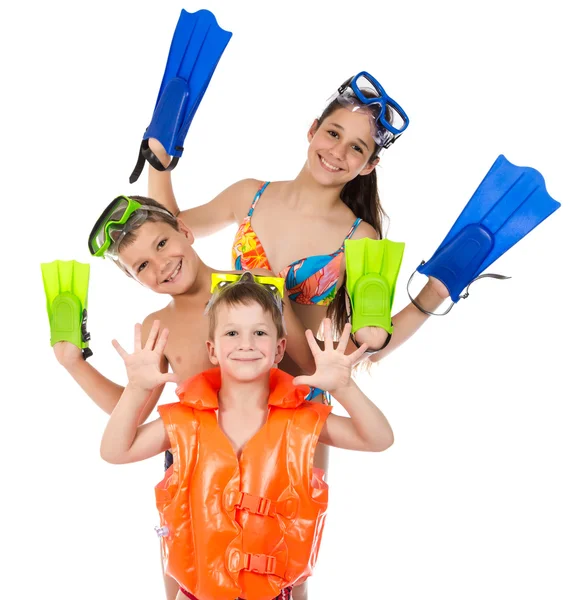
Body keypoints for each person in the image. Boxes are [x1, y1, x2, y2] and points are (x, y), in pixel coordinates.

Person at [57, 195, 315, 600]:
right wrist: (74, 363)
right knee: (185, 577)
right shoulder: (158, 325)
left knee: (284, 574)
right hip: (193, 466)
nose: (160, 265)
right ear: (134, 279)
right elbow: (131, 412)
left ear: (185, 231)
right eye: (141, 265)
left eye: (161, 244)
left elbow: (308, 369)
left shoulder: (257, 286)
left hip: (269, 458)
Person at [101, 273, 394, 600]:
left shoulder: (300, 419)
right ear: (212, 350)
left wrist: (344, 387)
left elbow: (378, 439)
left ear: (279, 348)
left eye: (259, 332)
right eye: (232, 333)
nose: (246, 343)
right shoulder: (186, 420)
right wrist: (135, 389)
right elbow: (115, 451)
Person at [146, 71, 449, 381]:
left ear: (369, 165)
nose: (337, 152)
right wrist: (158, 160)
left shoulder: (359, 237)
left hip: (301, 402)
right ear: (313, 130)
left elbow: (369, 343)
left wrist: (433, 295)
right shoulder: (249, 195)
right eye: (333, 133)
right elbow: (168, 232)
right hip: (234, 395)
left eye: (357, 148)